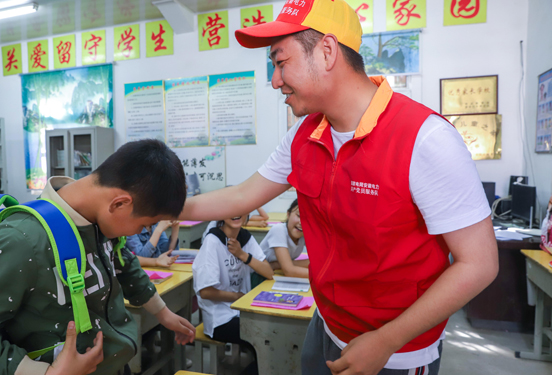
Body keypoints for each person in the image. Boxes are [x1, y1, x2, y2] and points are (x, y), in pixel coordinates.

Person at [181, 2, 498, 374]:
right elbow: (241, 196)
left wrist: (388, 339)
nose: (275, 80)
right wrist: (166, 207)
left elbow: (478, 264)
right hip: (327, 324)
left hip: (396, 348)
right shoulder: (305, 134)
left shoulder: (424, 139)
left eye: (281, 62)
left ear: (327, 51)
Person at [0, 140, 196, 375]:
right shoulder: (23, 240)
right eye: (145, 224)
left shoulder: (100, 219)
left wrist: (163, 313)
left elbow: (124, 263)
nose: (144, 231)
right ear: (120, 204)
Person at [192, 213, 274, 375]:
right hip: (219, 319)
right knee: (266, 341)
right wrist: (238, 297)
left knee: (271, 338)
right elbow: (206, 291)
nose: (236, 214)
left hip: (241, 312)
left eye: (241, 209)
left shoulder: (245, 237)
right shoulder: (213, 241)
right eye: (231, 210)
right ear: (222, 213)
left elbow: (268, 272)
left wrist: (242, 254)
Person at [261, 199, 308, 278]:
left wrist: (278, 265)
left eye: (307, 219)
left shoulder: (304, 234)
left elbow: (319, 261)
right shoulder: (278, 229)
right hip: (259, 276)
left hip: (275, 273)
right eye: (299, 216)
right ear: (288, 214)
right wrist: (324, 276)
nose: (301, 222)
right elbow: (289, 271)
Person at [201, 207, 269, 244]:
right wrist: (255, 224)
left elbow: (265, 217)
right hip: (209, 243)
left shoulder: (241, 212)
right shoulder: (223, 216)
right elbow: (235, 222)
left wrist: (255, 203)